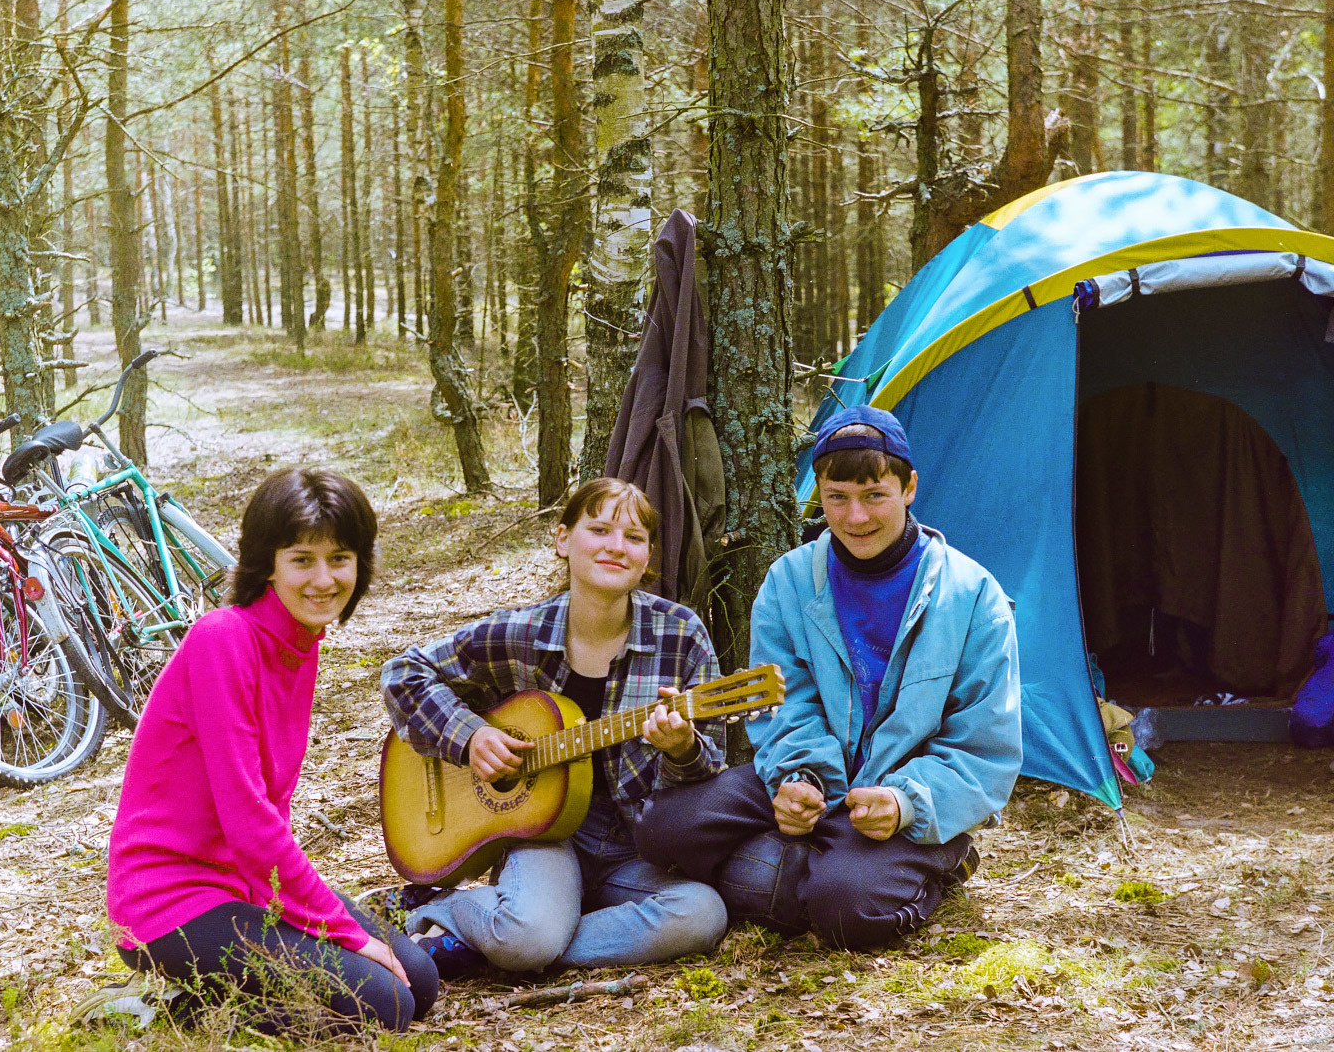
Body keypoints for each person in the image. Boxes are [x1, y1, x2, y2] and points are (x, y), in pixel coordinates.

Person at [634, 406, 1022, 950]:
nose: (856, 517)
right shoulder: (789, 582)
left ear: (909, 487)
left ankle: (939, 859)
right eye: (837, 497)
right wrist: (800, 779)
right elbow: (784, 703)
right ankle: (816, 866)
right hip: (821, 782)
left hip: (901, 798)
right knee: (660, 829)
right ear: (818, 491)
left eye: (874, 496)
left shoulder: (974, 595)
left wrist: (907, 803)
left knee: (847, 913)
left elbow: (986, 748)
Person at [106, 468, 437, 1033]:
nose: (324, 579)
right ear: (268, 564)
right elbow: (248, 818)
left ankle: (220, 990)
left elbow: (268, 810)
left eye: (340, 558)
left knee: (421, 980)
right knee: (387, 1006)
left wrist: (312, 919)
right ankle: (185, 1010)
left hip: (243, 887)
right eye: (301, 559)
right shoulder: (224, 639)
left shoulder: (298, 644)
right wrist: (346, 933)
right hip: (168, 906)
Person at [377, 478, 730, 976]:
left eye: (633, 537)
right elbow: (403, 673)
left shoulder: (681, 634)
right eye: (600, 529)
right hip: (541, 835)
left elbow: (711, 764)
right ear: (563, 540)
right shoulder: (520, 633)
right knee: (530, 936)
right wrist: (470, 737)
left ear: (648, 555)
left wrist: (681, 749)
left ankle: (504, 940)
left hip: (634, 843)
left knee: (702, 913)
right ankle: (440, 910)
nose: (615, 546)